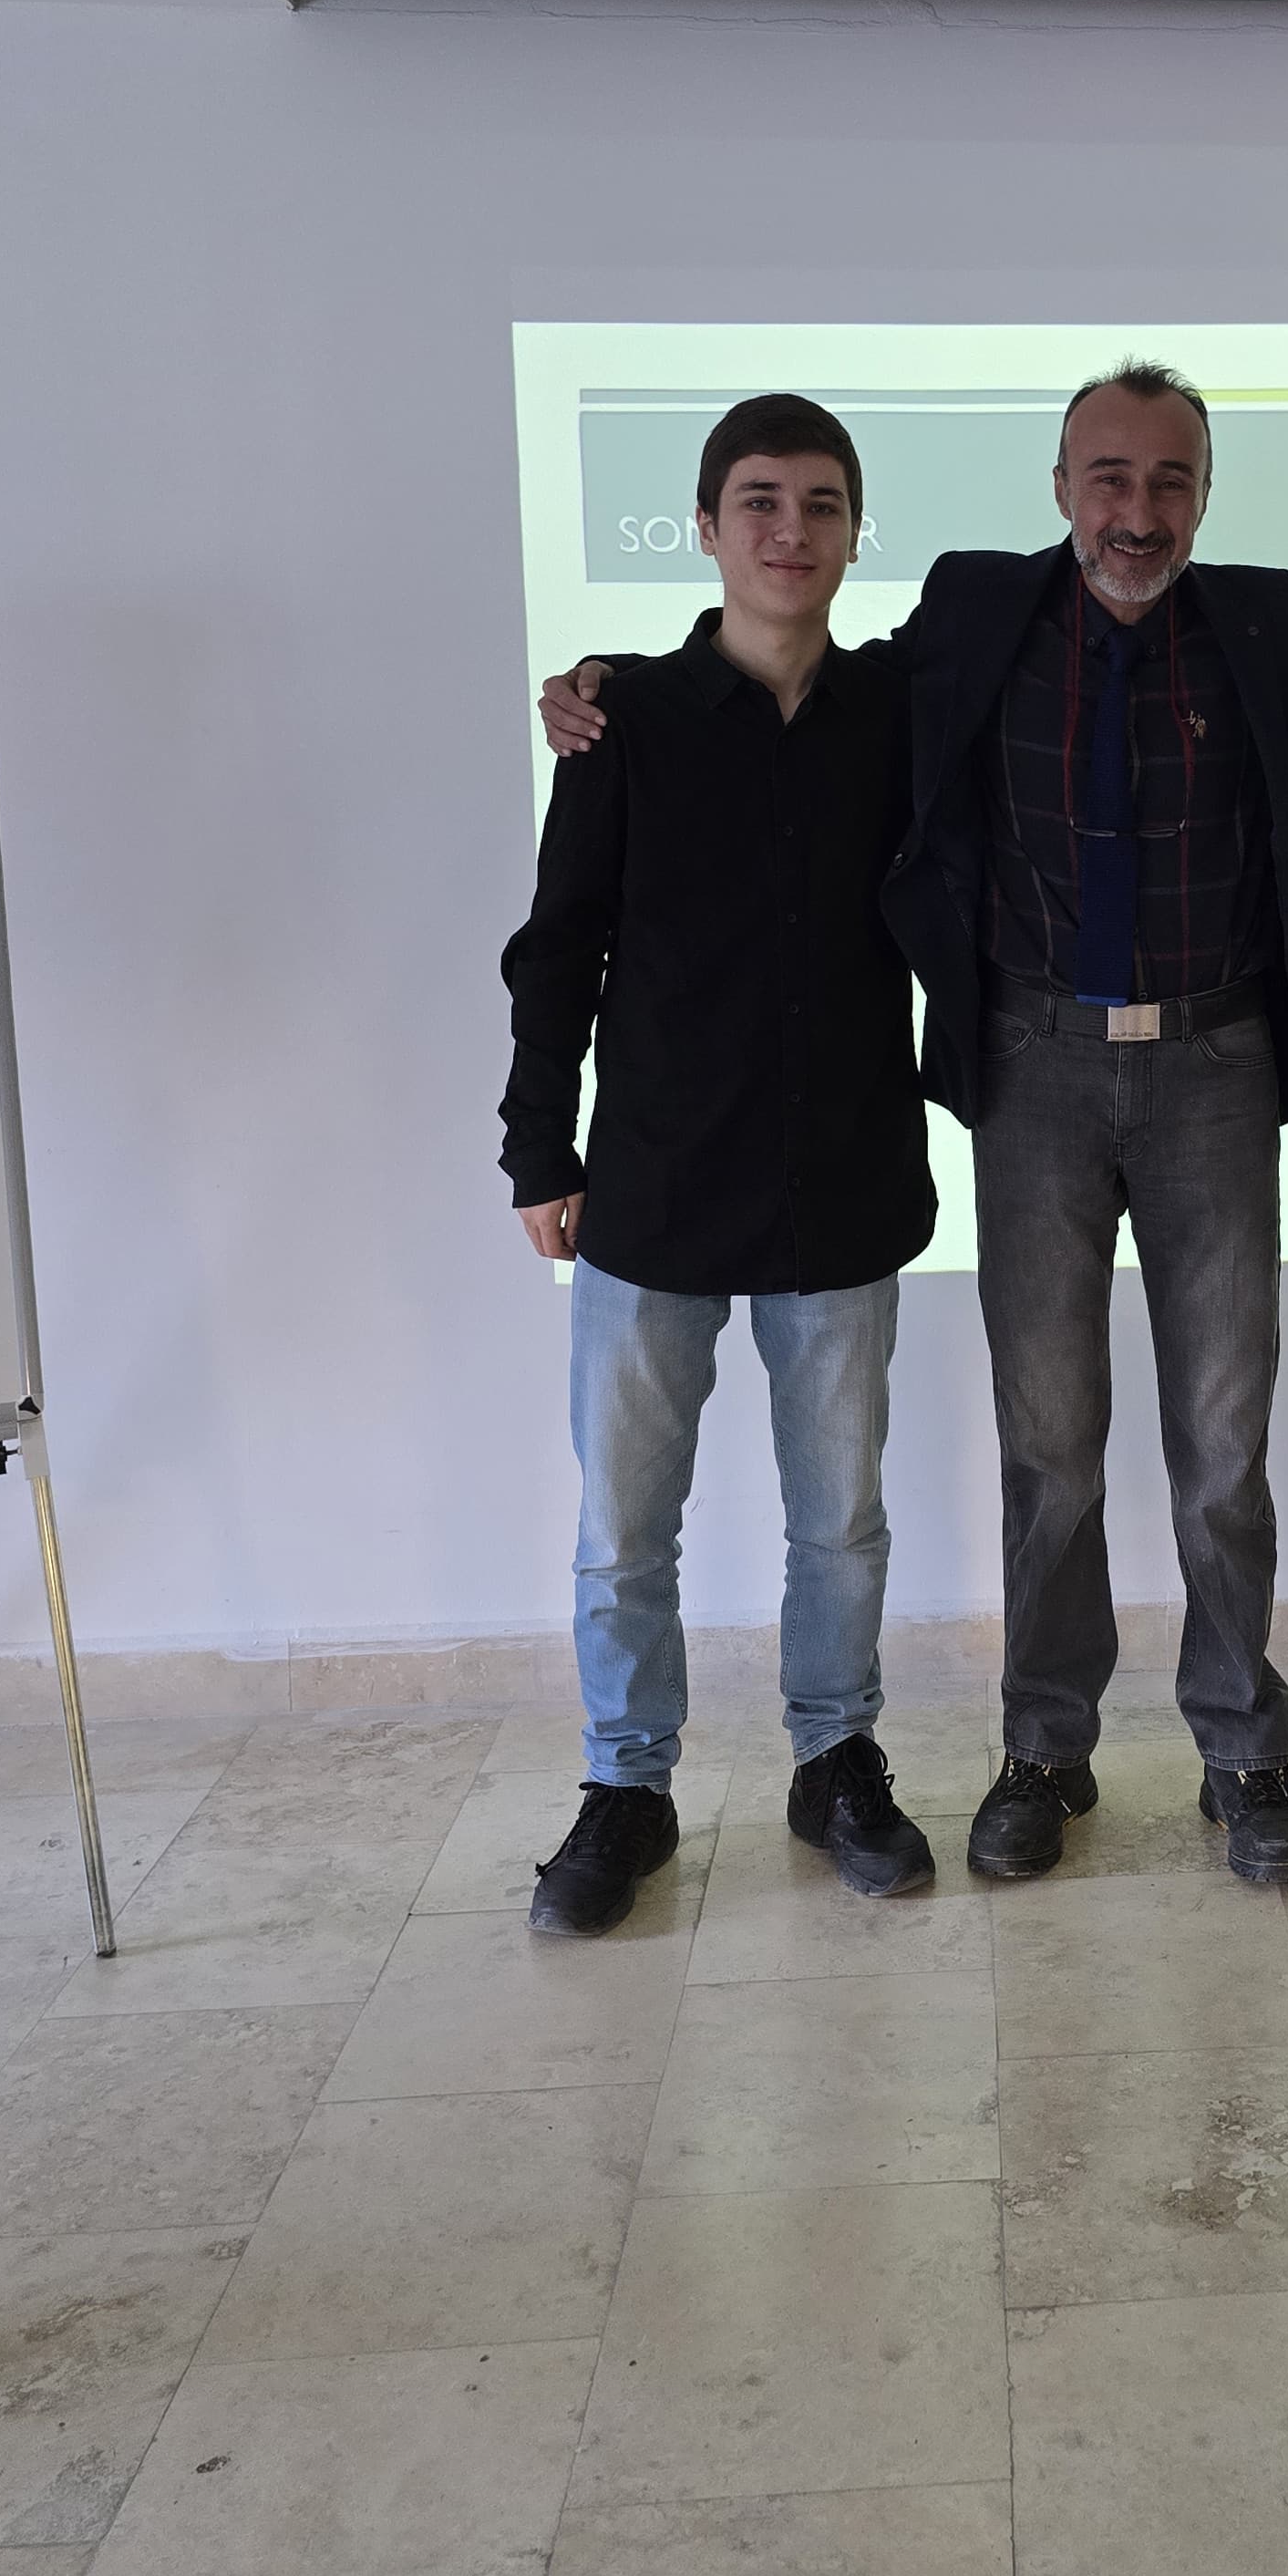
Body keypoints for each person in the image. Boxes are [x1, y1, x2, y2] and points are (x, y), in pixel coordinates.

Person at [547, 367, 1288, 1891]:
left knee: (1223, 1445)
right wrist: (603, 679)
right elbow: (767, 660)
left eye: (1170, 480)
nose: (1138, 511)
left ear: (1205, 495)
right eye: (1108, 477)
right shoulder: (977, 614)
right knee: (1049, 1444)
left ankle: (1243, 1750)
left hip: (1217, 1067)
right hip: (1033, 1070)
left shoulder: (1263, 620)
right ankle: (1044, 1750)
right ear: (1060, 489)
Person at [500, 394, 937, 1935]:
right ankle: (626, 1785)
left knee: (842, 1523)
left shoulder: (900, 712)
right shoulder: (626, 720)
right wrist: (537, 1147)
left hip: (847, 1180)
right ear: (704, 527)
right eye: (759, 501)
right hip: (654, 1189)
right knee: (625, 1531)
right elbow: (559, 947)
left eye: (821, 504)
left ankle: (836, 1760)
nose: (788, 531)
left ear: (854, 531)